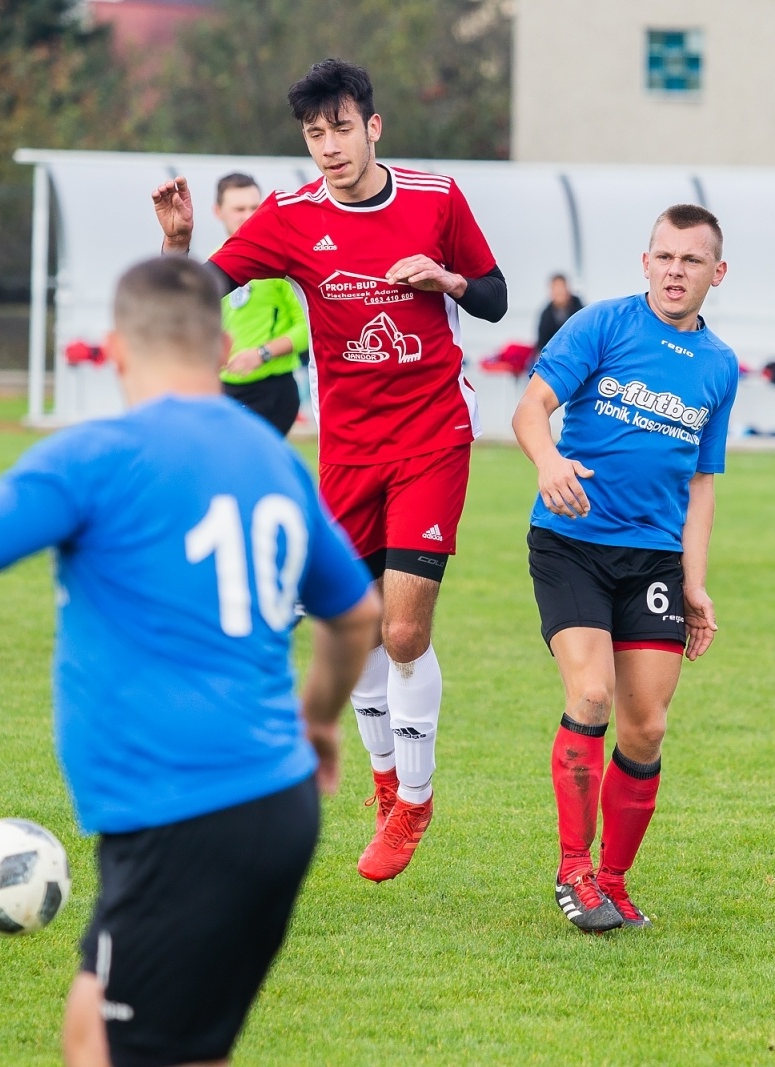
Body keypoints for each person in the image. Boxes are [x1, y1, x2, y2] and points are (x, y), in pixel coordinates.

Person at [0, 257, 381, 1067]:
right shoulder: (275, 463)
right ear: (221, 345)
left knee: (131, 1048)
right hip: (270, 801)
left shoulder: (99, 454)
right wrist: (319, 718)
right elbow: (355, 612)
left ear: (115, 349)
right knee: (99, 1028)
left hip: (185, 810)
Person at [150, 58, 508, 882]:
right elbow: (201, 289)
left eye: (342, 128)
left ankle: (415, 803)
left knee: (403, 630)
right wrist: (177, 244)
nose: (330, 146)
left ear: (373, 126)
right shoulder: (289, 216)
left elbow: (490, 295)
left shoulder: (435, 199)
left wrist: (445, 276)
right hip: (348, 448)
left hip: (432, 435)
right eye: (315, 134)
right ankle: (387, 781)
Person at [512, 204, 738, 933]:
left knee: (645, 728)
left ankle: (613, 879)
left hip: (655, 560)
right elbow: (531, 408)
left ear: (717, 273)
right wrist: (548, 462)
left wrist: (695, 582)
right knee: (592, 692)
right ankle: (574, 869)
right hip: (571, 541)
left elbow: (702, 485)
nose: (676, 271)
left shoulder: (720, 366)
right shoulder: (603, 324)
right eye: (664, 256)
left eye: (691, 260)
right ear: (646, 263)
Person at [213, 172, 310, 435]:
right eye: (239, 209)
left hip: (272, 390)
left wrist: (262, 353)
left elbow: (308, 330)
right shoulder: (214, 268)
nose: (247, 216)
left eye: (255, 208)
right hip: (225, 391)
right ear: (218, 211)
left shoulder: (279, 266)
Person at [535, 273, 584, 355]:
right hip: (553, 355)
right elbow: (541, 342)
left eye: (561, 287)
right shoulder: (546, 315)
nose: (559, 292)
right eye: (556, 288)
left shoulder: (580, 311)